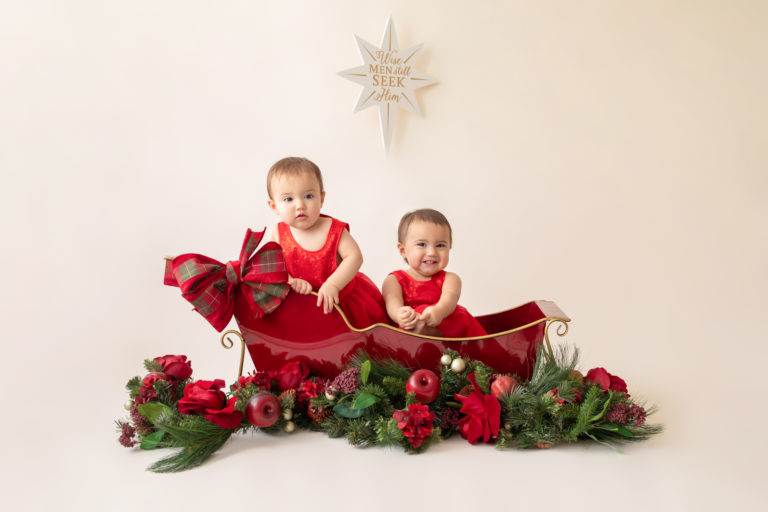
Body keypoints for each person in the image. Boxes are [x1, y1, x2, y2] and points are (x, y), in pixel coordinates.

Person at [265, 157, 388, 328]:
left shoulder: (333, 229)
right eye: (288, 199)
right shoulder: (277, 234)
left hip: (342, 302)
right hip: (302, 306)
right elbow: (270, 267)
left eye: (308, 196)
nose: (300, 205)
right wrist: (290, 280)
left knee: (352, 346)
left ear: (321, 199)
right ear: (274, 206)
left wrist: (333, 284)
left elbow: (355, 257)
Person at [382, 209, 487, 338]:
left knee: (461, 314)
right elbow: (392, 303)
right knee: (417, 318)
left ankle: (473, 349)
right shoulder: (394, 280)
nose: (432, 252)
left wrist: (439, 311)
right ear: (403, 250)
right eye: (422, 244)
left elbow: (449, 299)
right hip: (411, 329)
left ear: (449, 248)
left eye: (440, 245)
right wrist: (400, 314)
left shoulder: (450, 279)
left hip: (447, 328)